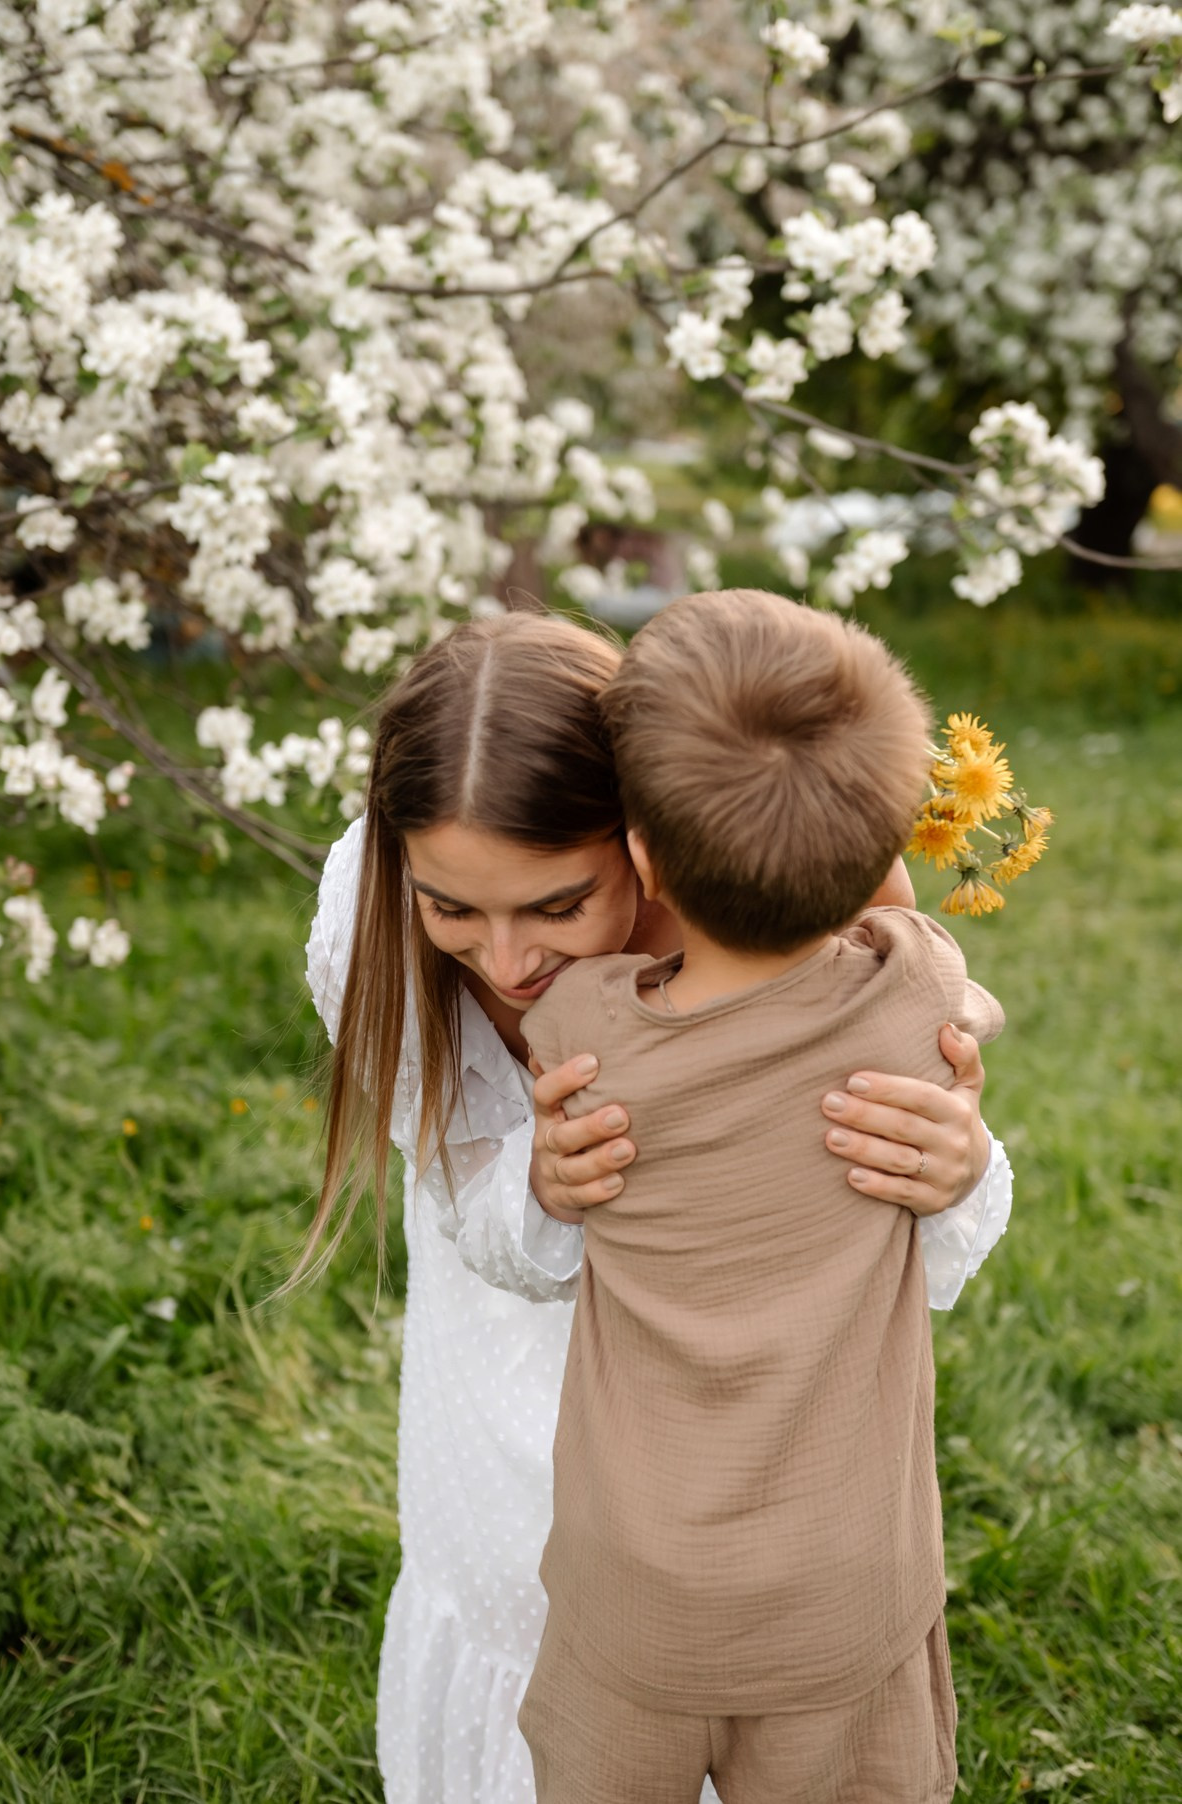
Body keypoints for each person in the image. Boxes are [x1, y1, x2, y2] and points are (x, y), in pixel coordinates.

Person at [302, 609, 1013, 1804]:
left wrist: (953, 1162)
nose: (508, 959)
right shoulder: (370, 914)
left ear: (646, 845)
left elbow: (880, 1173)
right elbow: (469, 1202)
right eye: (454, 910)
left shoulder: (771, 890)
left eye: (558, 903)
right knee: (542, 1609)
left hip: (768, 1414)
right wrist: (535, 1185)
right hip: (510, 1364)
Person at [518, 590, 1004, 1803]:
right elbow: (930, 955)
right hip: (842, 1590)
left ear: (641, 858)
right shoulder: (913, 995)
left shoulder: (581, 1030)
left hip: (628, 1595)